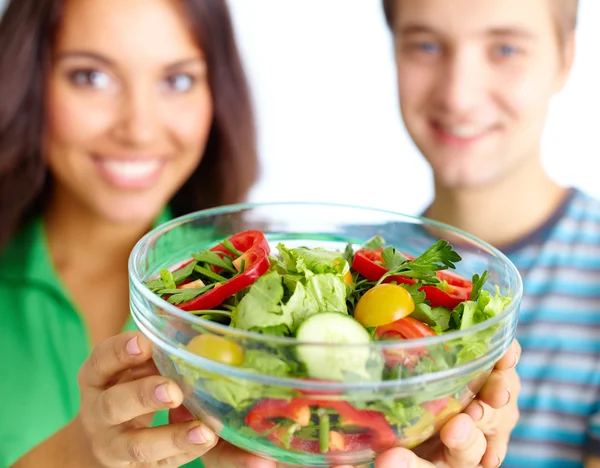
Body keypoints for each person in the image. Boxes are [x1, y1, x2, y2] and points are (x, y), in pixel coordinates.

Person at [0, 0, 519, 467]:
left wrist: (401, 433)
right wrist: (77, 454)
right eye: (91, 76)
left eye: (177, 80)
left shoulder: (268, 275)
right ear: (23, 76)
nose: (139, 126)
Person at [381, 0, 600, 466]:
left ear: (565, 58)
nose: (458, 95)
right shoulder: (356, 274)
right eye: (425, 44)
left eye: (505, 48)